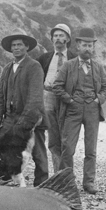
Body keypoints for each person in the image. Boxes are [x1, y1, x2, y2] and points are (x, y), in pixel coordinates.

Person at [52, 27, 106, 194]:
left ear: (93, 47)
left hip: (92, 110)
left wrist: (98, 99)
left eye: (90, 45)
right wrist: (69, 100)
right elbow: (57, 86)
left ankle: (89, 183)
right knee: (67, 148)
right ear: (77, 46)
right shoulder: (68, 66)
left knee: (91, 149)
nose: (87, 48)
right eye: (84, 45)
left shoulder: (98, 67)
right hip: (73, 110)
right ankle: (66, 183)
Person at [0, 29, 49, 187]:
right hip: (10, 118)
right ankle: (5, 180)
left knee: (38, 153)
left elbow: (35, 98)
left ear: (26, 48)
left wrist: (25, 122)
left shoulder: (34, 67)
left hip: (33, 119)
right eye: (13, 45)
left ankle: (42, 185)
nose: (16, 48)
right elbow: (1, 95)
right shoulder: (7, 69)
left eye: (19, 45)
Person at [35, 23, 76, 172]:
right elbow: (37, 80)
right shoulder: (44, 58)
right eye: (55, 36)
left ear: (68, 39)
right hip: (48, 97)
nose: (58, 39)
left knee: (67, 140)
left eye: (61, 36)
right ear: (52, 39)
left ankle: (67, 174)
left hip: (67, 100)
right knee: (53, 139)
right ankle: (58, 174)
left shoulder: (74, 58)